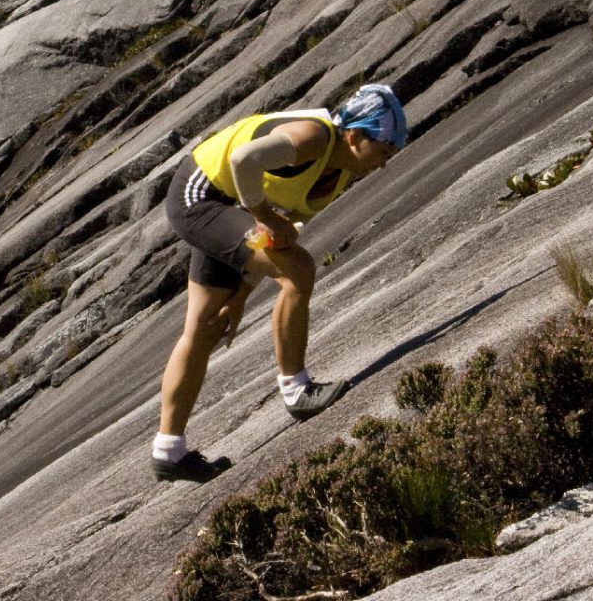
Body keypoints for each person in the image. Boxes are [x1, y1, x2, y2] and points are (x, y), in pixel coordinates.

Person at [151, 84, 407, 482]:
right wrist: (265, 215)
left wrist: (240, 295)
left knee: (205, 326)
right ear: (356, 136)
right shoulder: (313, 138)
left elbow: (268, 241)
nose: (384, 163)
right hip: (200, 194)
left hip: (232, 204)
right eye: (383, 152)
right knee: (300, 270)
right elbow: (243, 159)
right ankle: (297, 390)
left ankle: (169, 451)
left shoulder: (341, 170)